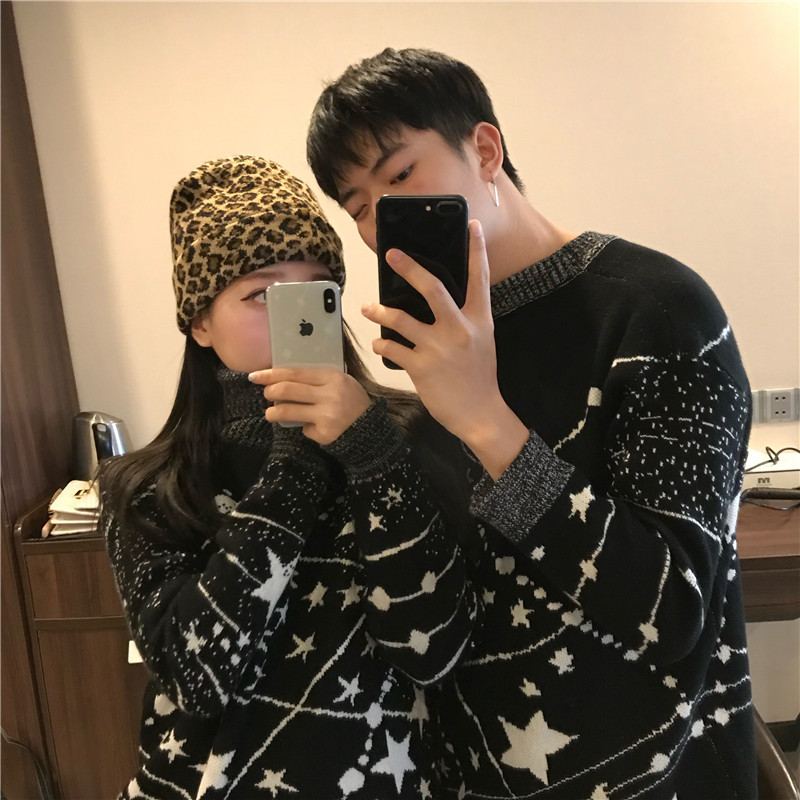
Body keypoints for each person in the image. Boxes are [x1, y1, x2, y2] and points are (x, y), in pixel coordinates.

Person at [306, 48, 757, 799]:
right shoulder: (434, 345)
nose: (381, 220)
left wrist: (486, 421)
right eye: (356, 207)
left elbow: (671, 611)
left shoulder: (660, 311)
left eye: (401, 174)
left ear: (485, 150)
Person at [98, 155, 481, 799]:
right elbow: (196, 678)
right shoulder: (147, 487)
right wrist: (293, 464)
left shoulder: (406, 434)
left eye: (318, 290)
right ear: (199, 322)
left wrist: (373, 455)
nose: (297, 316)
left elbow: (434, 650)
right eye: (261, 294)